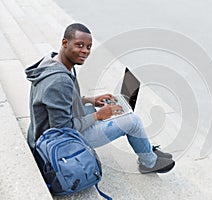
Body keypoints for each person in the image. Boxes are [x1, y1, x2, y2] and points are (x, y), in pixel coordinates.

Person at [25, 23, 175, 174]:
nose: (85, 51)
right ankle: (149, 163)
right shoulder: (59, 80)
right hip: (56, 143)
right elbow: (63, 128)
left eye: (89, 47)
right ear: (65, 43)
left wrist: (91, 100)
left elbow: (60, 100)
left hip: (40, 133)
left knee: (94, 108)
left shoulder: (52, 62)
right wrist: (98, 116)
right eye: (80, 45)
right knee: (133, 121)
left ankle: (146, 149)